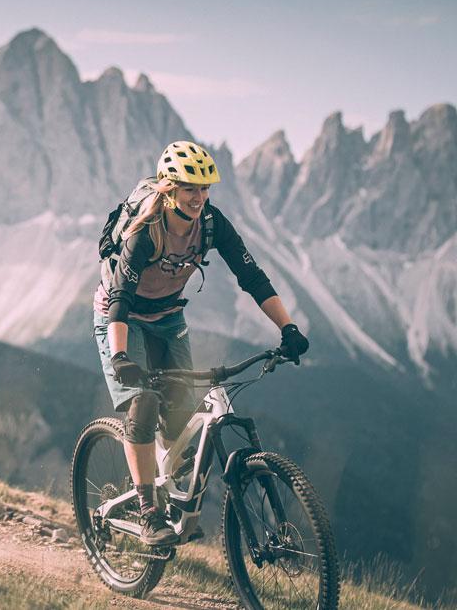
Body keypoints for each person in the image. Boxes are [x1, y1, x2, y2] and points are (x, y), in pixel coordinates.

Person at [92, 141, 309, 546]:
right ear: (168, 187)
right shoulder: (146, 229)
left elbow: (252, 277)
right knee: (143, 405)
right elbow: (120, 299)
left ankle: (173, 498)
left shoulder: (211, 223)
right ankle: (148, 513)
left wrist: (288, 328)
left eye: (206, 188)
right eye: (190, 188)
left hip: (168, 317)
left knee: (181, 421)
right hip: (121, 318)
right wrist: (121, 355)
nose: (200, 197)